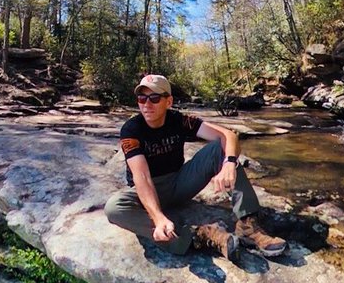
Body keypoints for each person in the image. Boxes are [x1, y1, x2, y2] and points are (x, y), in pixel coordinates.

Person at [104, 74, 287, 261]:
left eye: (154, 98)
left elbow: (228, 136)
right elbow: (141, 176)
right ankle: (197, 236)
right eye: (142, 98)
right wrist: (158, 218)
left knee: (219, 149)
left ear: (168, 102)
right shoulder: (131, 130)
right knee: (114, 209)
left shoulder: (179, 121)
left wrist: (229, 163)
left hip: (180, 183)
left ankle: (248, 227)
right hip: (147, 192)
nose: (146, 104)